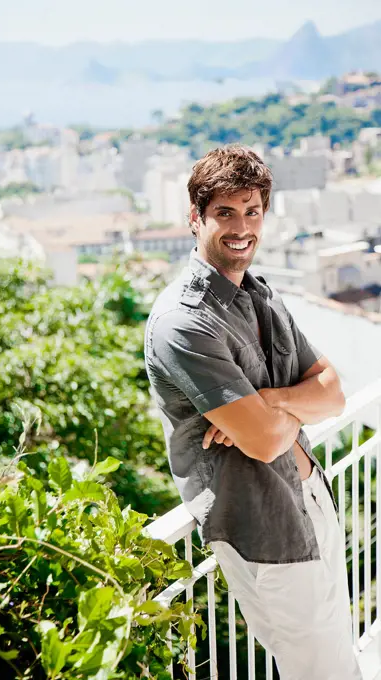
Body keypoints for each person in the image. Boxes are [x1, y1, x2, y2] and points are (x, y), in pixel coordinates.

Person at [144, 144, 362, 679]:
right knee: (320, 672)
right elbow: (265, 444)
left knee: (339, 657)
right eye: (224, 212)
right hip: (264, 527)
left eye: (252, 211)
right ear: (194, 218)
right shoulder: (184, 323)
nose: (241, 227)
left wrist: (270, 400)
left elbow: (332, 391)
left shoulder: (262, 295)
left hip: (312, 499)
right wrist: (285, 409)